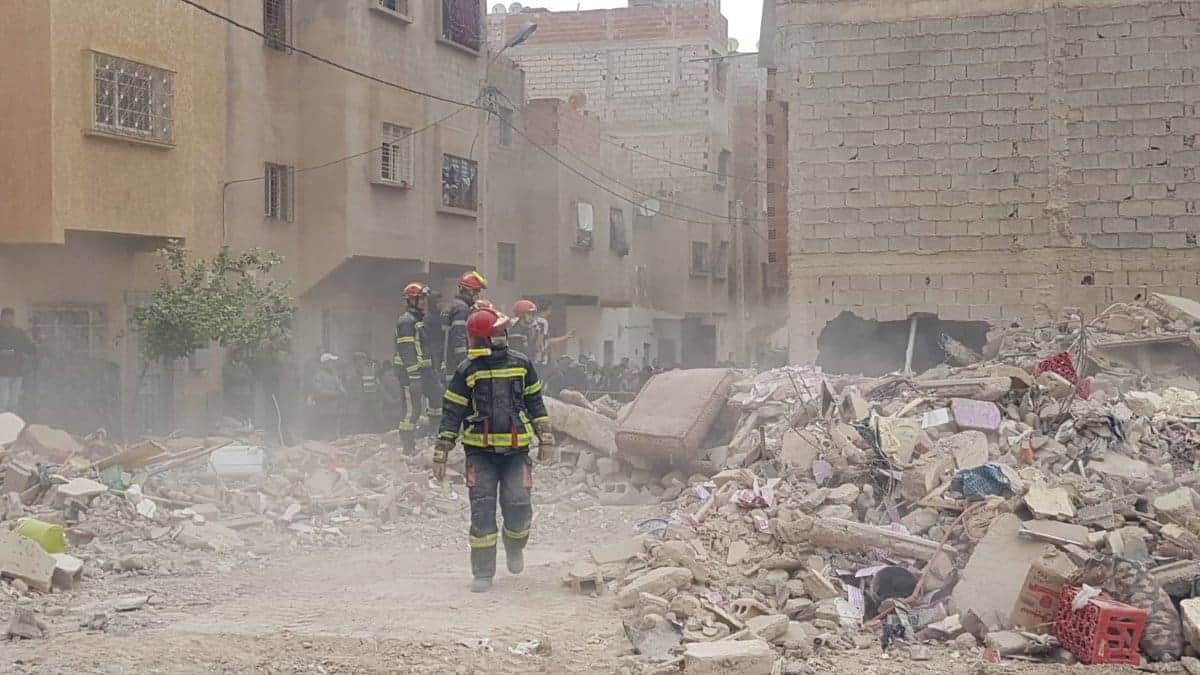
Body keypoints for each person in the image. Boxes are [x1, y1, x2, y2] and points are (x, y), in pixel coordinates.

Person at [434, 306, 554, 593]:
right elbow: (452, 412)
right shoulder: (467, 371)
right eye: (499, 331)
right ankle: (484, 572)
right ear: (485, 338)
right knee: (482, 512)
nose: (505, 334)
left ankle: (515, 546)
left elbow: (535, 402)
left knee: (519, 506)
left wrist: (545, 436)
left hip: (516, 452)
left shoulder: (522, 364)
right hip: (480, 454)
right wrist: (442, 451)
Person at [394, 283, 443, 453]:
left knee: (437, 396)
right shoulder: (406, 321)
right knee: (412, 410)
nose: (423, 302)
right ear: (410, 300)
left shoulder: (420, 320)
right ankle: (408, 447)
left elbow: (425, 348)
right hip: (410, 374)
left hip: (425, 371)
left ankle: (433, 433)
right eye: (419, 298)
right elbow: (407, 350)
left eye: (424, 298)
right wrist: (414, 376)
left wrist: (433, 369)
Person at [441, 271, 488, 376]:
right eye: (476, 291)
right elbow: (460, 338)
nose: (477, 295)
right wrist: (465, 365)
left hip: (448, 362)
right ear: (468, 291)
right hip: (455, 365)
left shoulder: (454, 305)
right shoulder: (462, 308)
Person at [0, 308, 36, 414]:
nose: (8, 321)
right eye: (6, 319)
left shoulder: (19, 332)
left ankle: (12, 427)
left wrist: (36, 344)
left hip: (17, 372)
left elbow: (29, 348)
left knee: (14, 404)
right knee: (3, 404)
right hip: (2, 374)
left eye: (10, 319)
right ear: (1, 317)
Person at [307, 352, 346, 440]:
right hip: (324, 409)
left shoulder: (334, 375)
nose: (333, 364)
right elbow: (318, 392)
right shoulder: (319, 375)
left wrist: (342, 391)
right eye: (331, 362)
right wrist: (335, 393)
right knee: (324, 433)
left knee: (334, 433)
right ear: (325, 363)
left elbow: (340, 387)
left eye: (333, 362)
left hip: (334, 408)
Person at [350, 352, 382, 433]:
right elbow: (352, 387)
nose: (365, 361)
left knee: (369, 419)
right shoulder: (352, 372)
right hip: (357, 400)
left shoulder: (368, 370)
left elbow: (375, 383)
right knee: (358, 420)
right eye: (362, 359)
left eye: (365, 359)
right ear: (357, 360)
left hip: (370, 399)